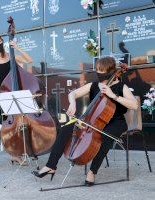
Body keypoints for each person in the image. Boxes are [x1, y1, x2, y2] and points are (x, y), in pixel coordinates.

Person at [32, 56, 138, 185]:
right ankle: (51, 166)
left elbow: (134, 105)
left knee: (105, 138)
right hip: (93, 120)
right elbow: (73, 94)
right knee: (66, 128)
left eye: (102, 71)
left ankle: (92, 172)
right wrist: (72, 104)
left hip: (116, 122)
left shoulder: (122, 87)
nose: (98, 74)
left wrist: (113, 95)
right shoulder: (93, 85)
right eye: (97, 70)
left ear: (111, 72)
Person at [0, 33, 33, 169]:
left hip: (9, 95)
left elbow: (29, 60)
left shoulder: (10, 56)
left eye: (0, 41)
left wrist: (16, 47)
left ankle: (14, 155)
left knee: (12, 126)